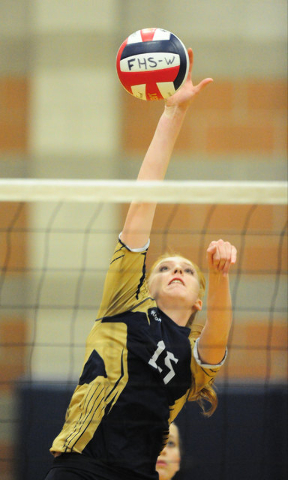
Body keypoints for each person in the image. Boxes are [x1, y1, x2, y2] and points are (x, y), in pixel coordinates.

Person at [44, 48, 237, 480]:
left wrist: (220, 276)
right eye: (166, 267)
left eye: (188, 270)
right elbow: (143, 202)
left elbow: (219, 335)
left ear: (198, 300)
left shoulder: (191, 357)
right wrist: (173, 115)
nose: (176, 272)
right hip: (81, 465)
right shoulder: (125, 302)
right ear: (147, 284)